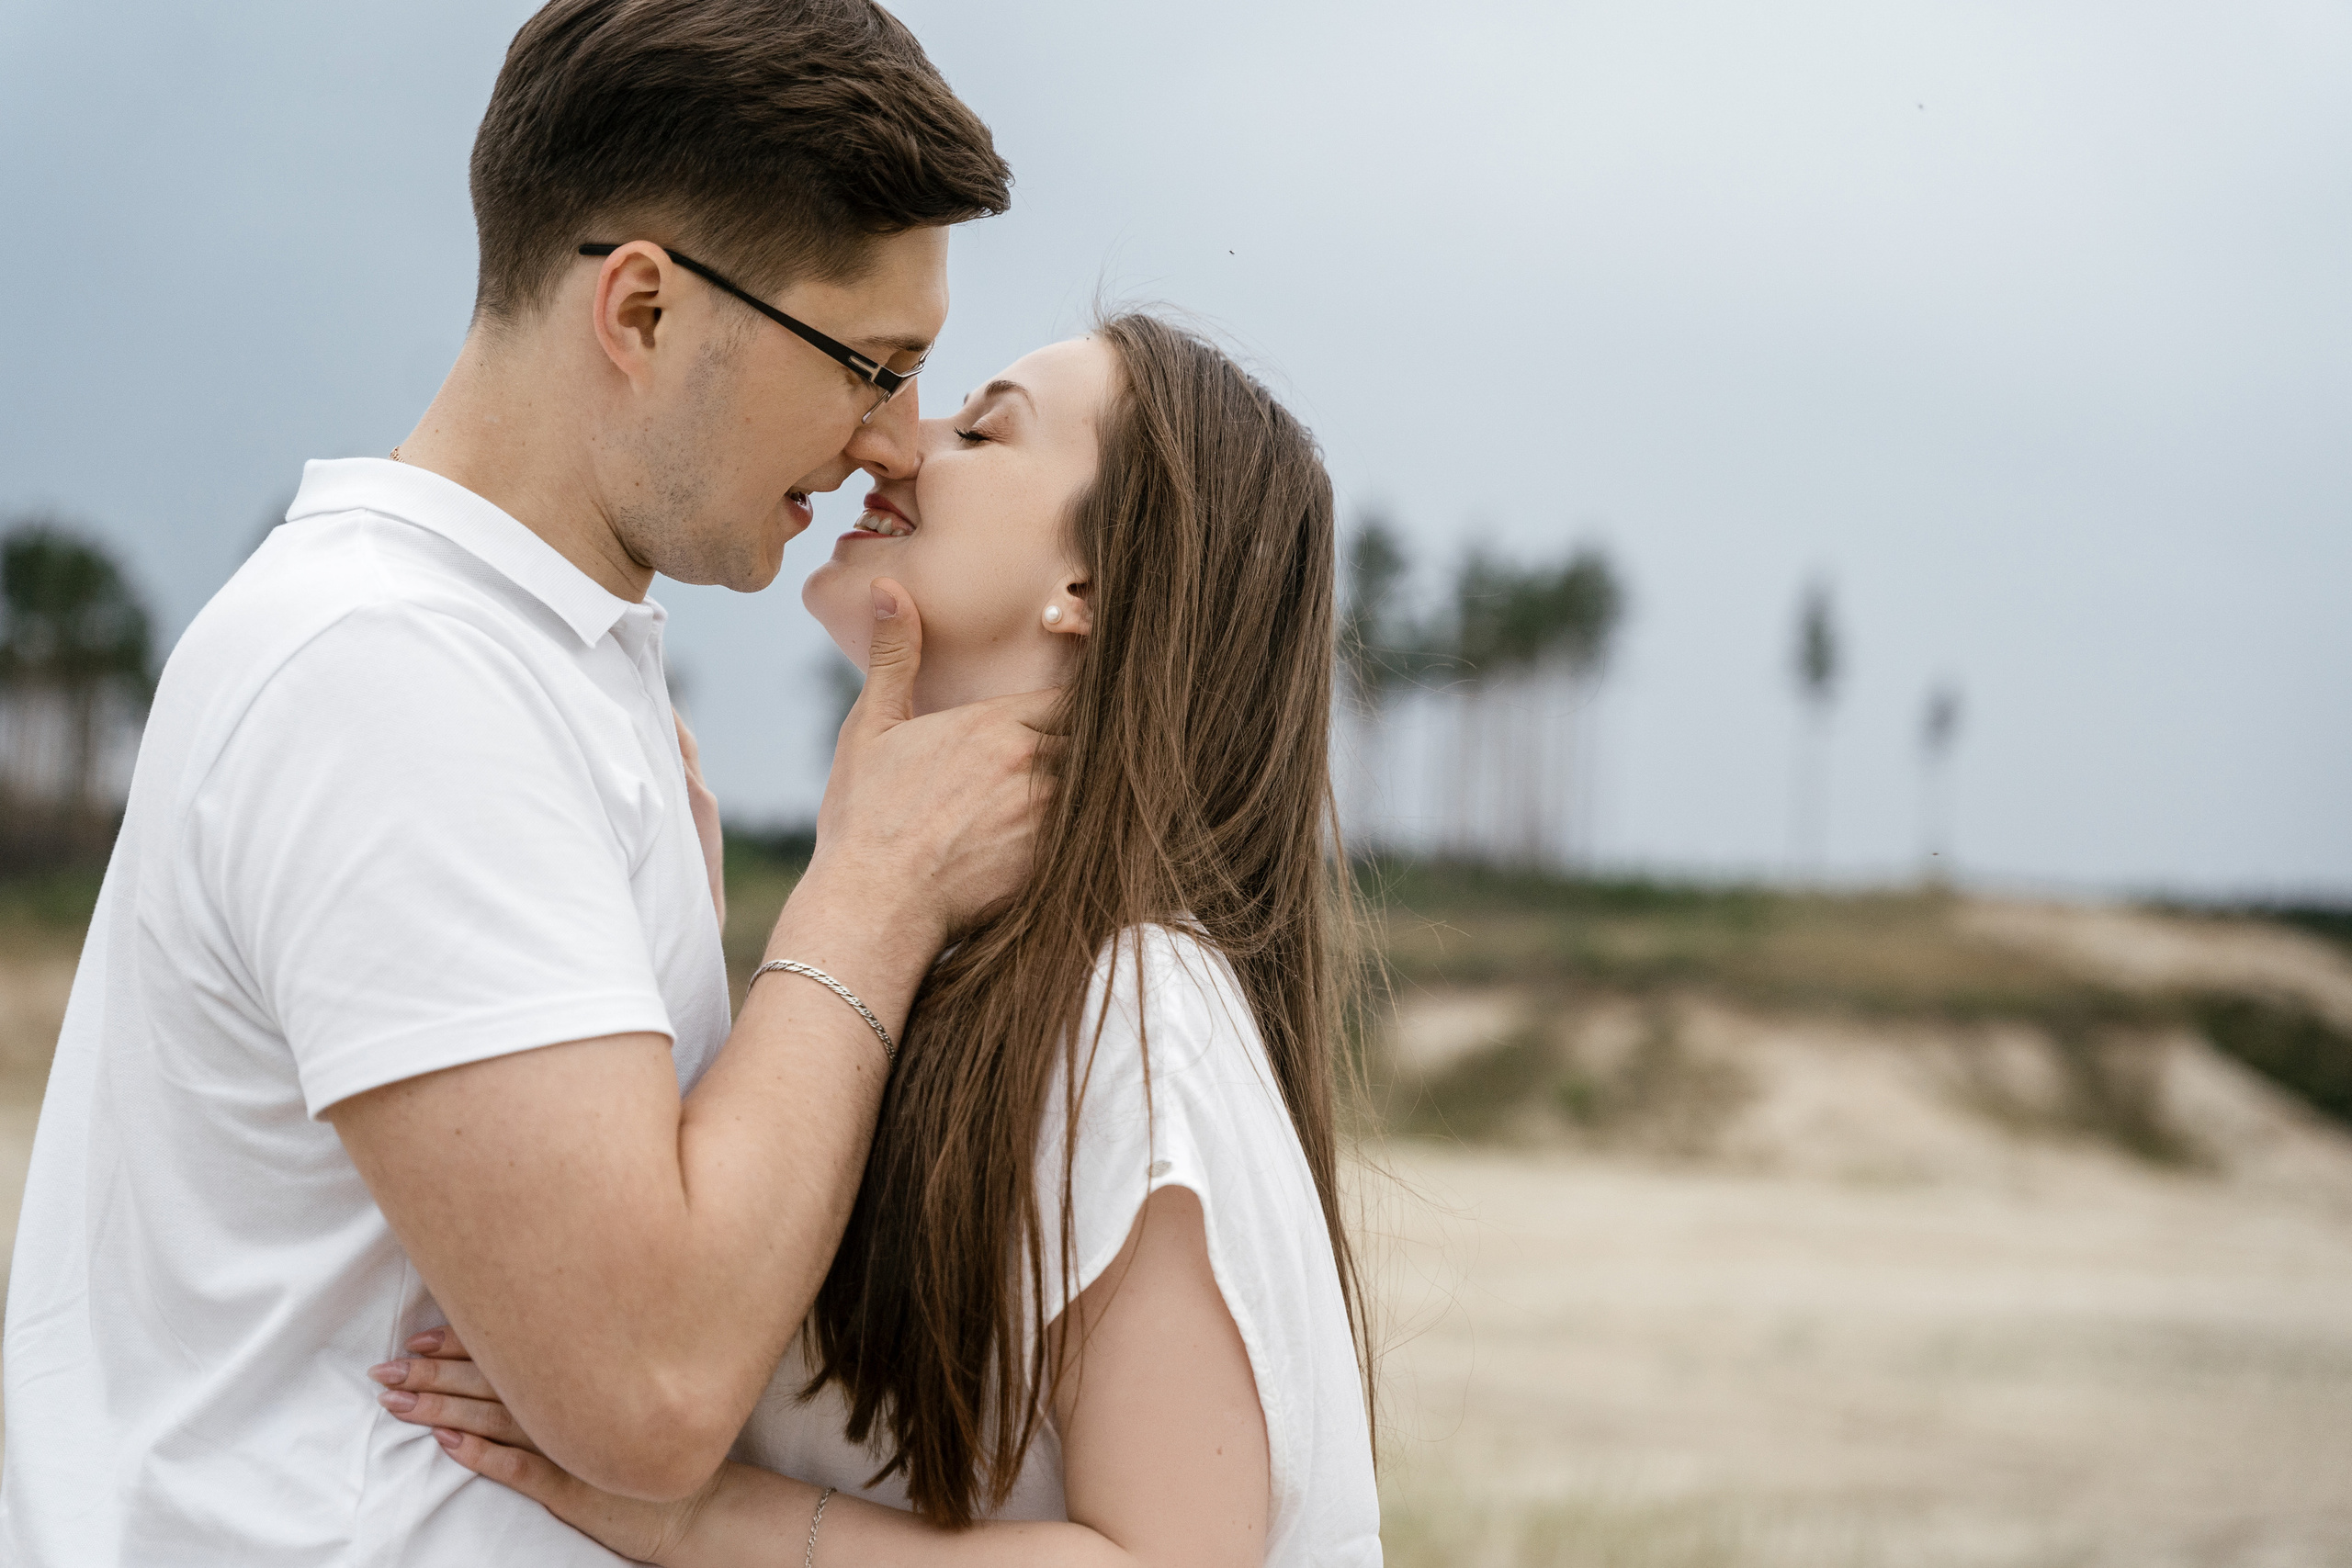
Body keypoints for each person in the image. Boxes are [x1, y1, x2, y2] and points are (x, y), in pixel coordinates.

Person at [0, 4, 1047, 1563]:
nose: (893, 444)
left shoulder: (528, 667)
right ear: (639, 312)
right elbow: (650, 1388)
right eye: (869, 364)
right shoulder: (394, 676)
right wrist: (874, 891)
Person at [368, 314, 1385, 1565]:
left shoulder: (1138, 1011)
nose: (895, 446)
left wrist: (694, 1512)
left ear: (1092, 588)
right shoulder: (942, 965)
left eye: (983, 427)